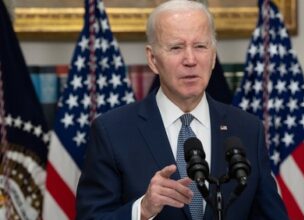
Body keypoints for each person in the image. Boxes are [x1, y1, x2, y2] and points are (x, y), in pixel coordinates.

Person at [76, 0, 288, 219]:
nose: (190, 60)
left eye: (200, 46)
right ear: (152, 59)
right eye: (176, 47)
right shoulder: (113, 131)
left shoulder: (247, 129)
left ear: (213, 56)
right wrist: (143, 210)